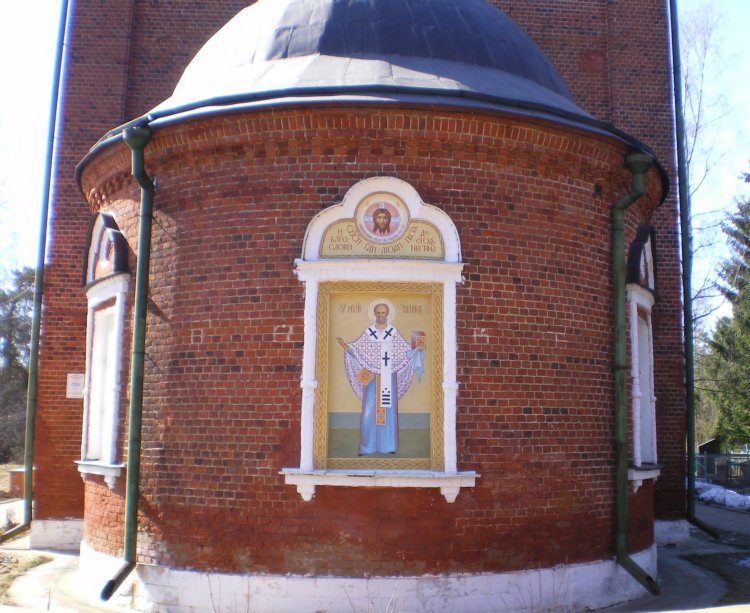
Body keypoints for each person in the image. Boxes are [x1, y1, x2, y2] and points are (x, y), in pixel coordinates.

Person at [337, 303, 424, 454]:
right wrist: (346, 346)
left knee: (388, 411)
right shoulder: (368, 333)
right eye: (378, 313)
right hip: (372, 378)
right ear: (375, 314)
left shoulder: (393, 333)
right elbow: (357, 350)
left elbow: (405, 351)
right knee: (369, 411)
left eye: (383, 313)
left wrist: (417, 349)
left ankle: (388, 446)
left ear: (387, 314)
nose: (380, 315)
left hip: (388, 377)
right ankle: (367, 447)